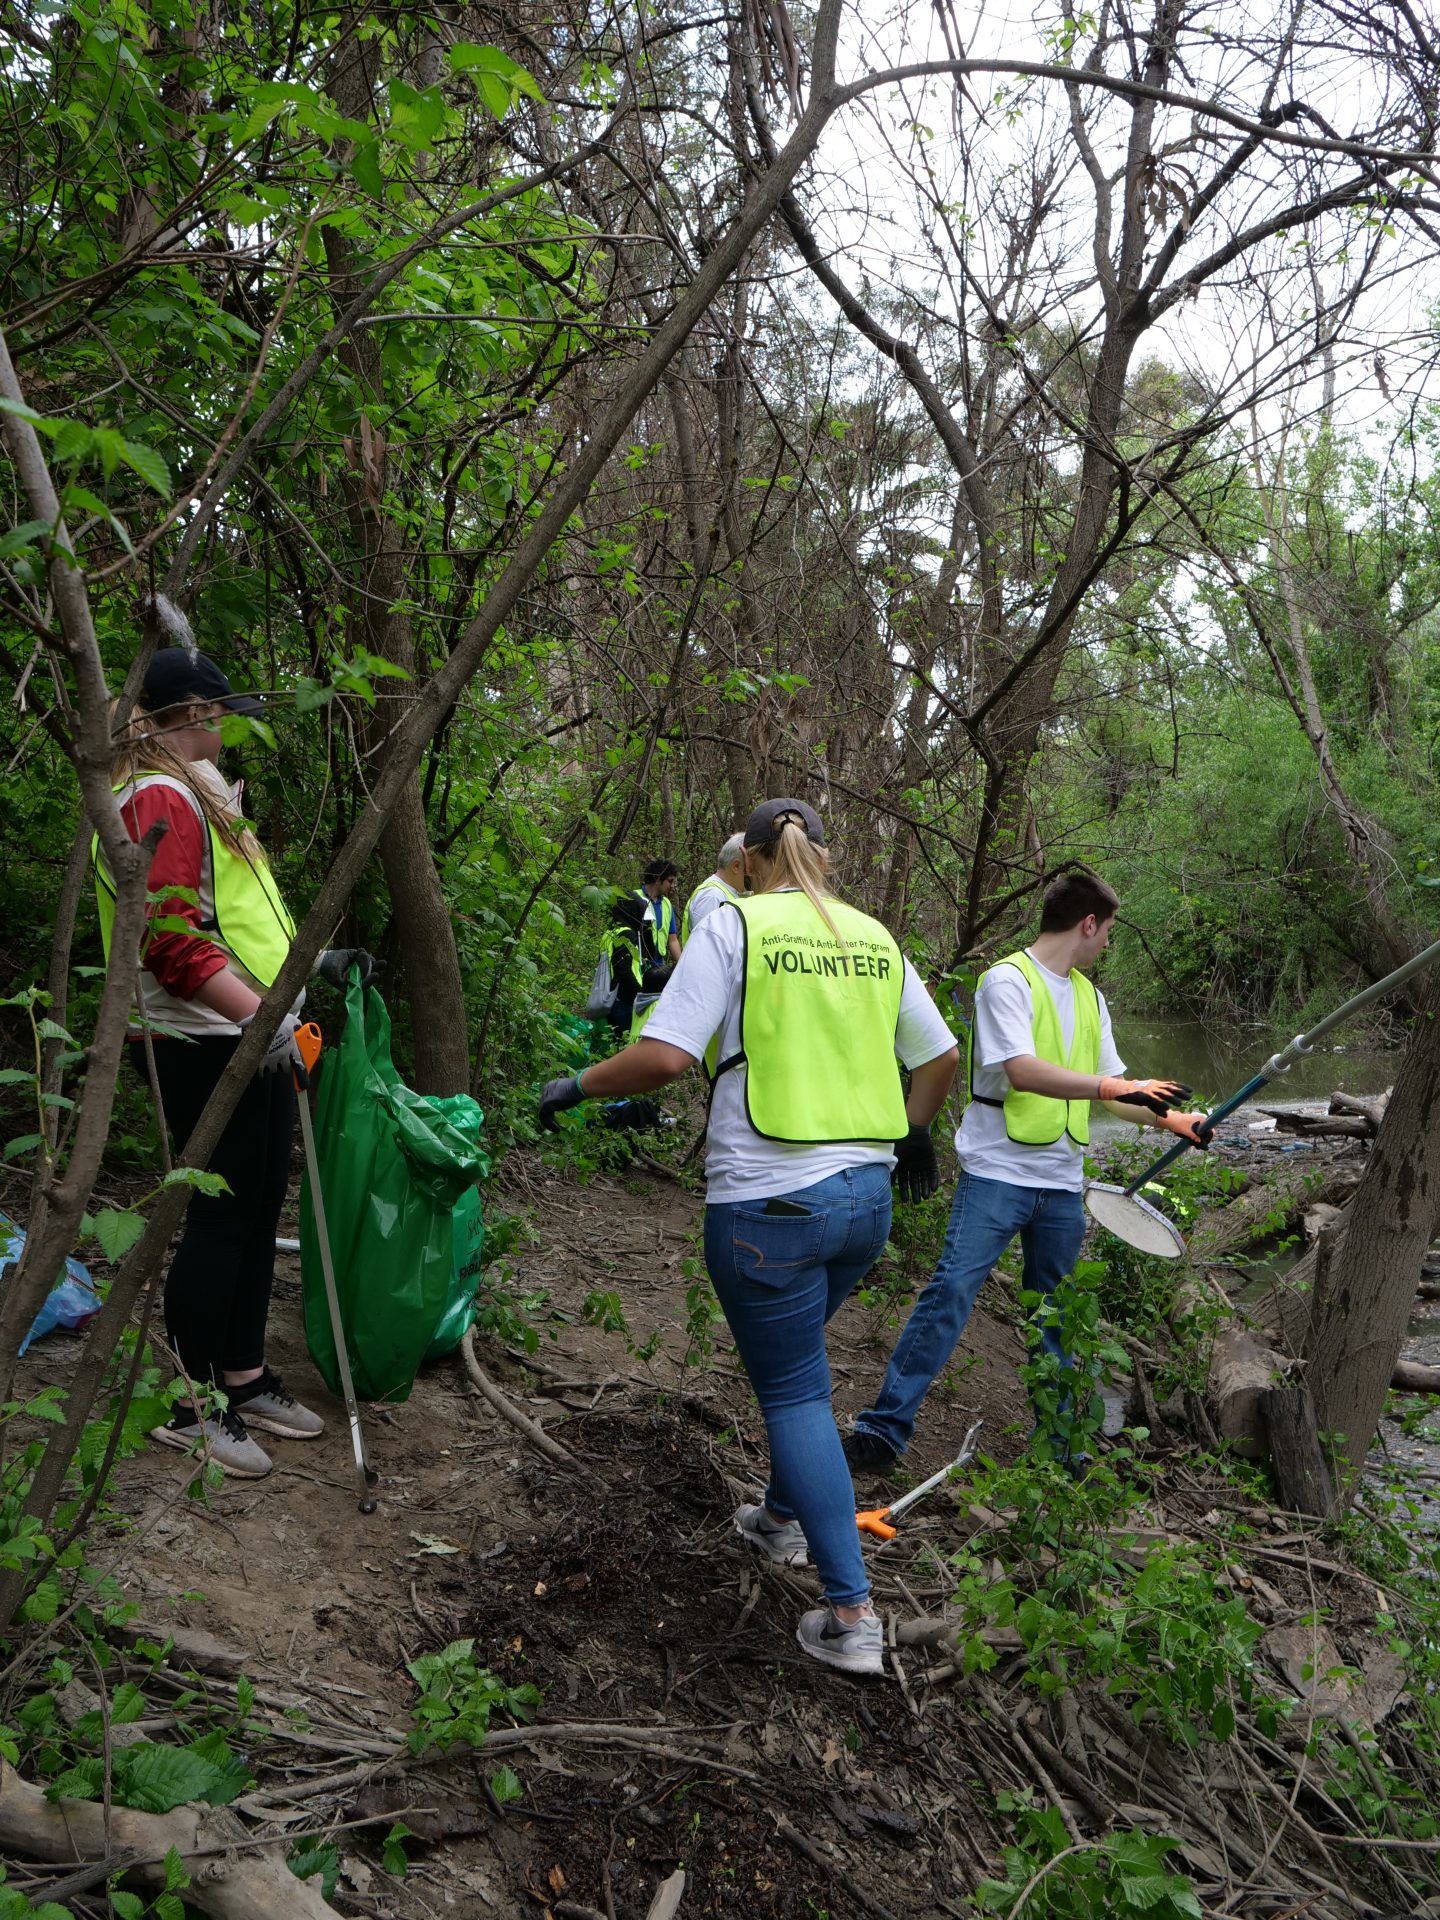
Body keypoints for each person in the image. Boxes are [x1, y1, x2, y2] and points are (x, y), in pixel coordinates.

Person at [538, 799, 959, 1676]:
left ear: (753, 861)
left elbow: (664, 1057)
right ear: (820, 858)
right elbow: (941, 1057)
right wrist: (909, 1130)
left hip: (771, 1206)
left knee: (797, 1394)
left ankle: (851, 1615)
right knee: (796, 1362)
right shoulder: (872, 936)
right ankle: (776, 1519)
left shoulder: (736, 925)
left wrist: (573, 1086)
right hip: (864, 1206)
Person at [93, 645, 375, 1479]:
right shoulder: (158, 795)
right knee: (219, 1216)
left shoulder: (199, 794)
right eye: (214, 712)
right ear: (183, 715)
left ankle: (242, 1376)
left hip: (243, 1029)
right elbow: (171, 939)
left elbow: (233, 915)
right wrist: (263, 1018)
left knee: (257, 1207)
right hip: (199, 1034)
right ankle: (190, 1404)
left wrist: (303, 975)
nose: (224, 723)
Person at [844, 869, 1208, 1476]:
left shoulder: (1091, 997)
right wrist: (1115, 1084)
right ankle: (882, 1432)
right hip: (998, 1174)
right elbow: (1021, 1070)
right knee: (950, 1295)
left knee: (1057, 1315)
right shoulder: (1005, 982)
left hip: (1062, 1182)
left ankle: (1063, 1450)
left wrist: (1173, 1121)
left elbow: (1114, 1094)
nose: (1108, 945)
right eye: (1109, 931)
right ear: (1087, 924)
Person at [680, 833, 745, 944]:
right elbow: (705, 948)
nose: (755, 873)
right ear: (736, 866)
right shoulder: (712, 896)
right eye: (750, 866)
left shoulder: (725, 892)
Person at [637, 858, 682, 964]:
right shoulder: (635, 898)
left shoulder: (667, 904)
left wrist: (682, 965)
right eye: (670, 881)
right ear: (658, 879)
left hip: (659, 965)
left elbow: (672, 940)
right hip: (638, 964)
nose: (672, 886)